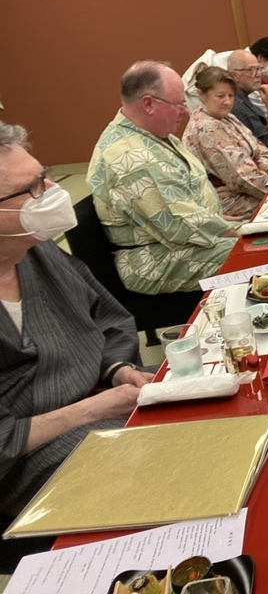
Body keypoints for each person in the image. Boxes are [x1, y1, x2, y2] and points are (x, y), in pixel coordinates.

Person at [0, 122, 150, 520]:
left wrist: (117, 369)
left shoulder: (37, 251)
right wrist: (92, 410)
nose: (52, 193)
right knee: (160, 472)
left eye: (44, 176)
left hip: (97, 395)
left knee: (210, 396)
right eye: (32, 189)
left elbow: (104, 317)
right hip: (25, 460)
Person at [87, 61, 237, 295]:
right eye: (178, 104)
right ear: (148, 104)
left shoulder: (153, 134)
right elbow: (181, 226)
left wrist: (214, 215)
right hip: (154, 260)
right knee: (266, 252)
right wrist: (247, 229)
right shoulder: (131, 156)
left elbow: (184, 202)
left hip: (180, 241)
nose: (185, 111)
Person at [181, 66, 268, 218]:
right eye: (220, 96)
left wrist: (267, 167)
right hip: (227, 199)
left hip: (253, 184)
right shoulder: (205, 126)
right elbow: (241, 177)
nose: (227, 102)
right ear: (201, 95)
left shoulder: (226, 117)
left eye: (231, 96)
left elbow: (260, 148)